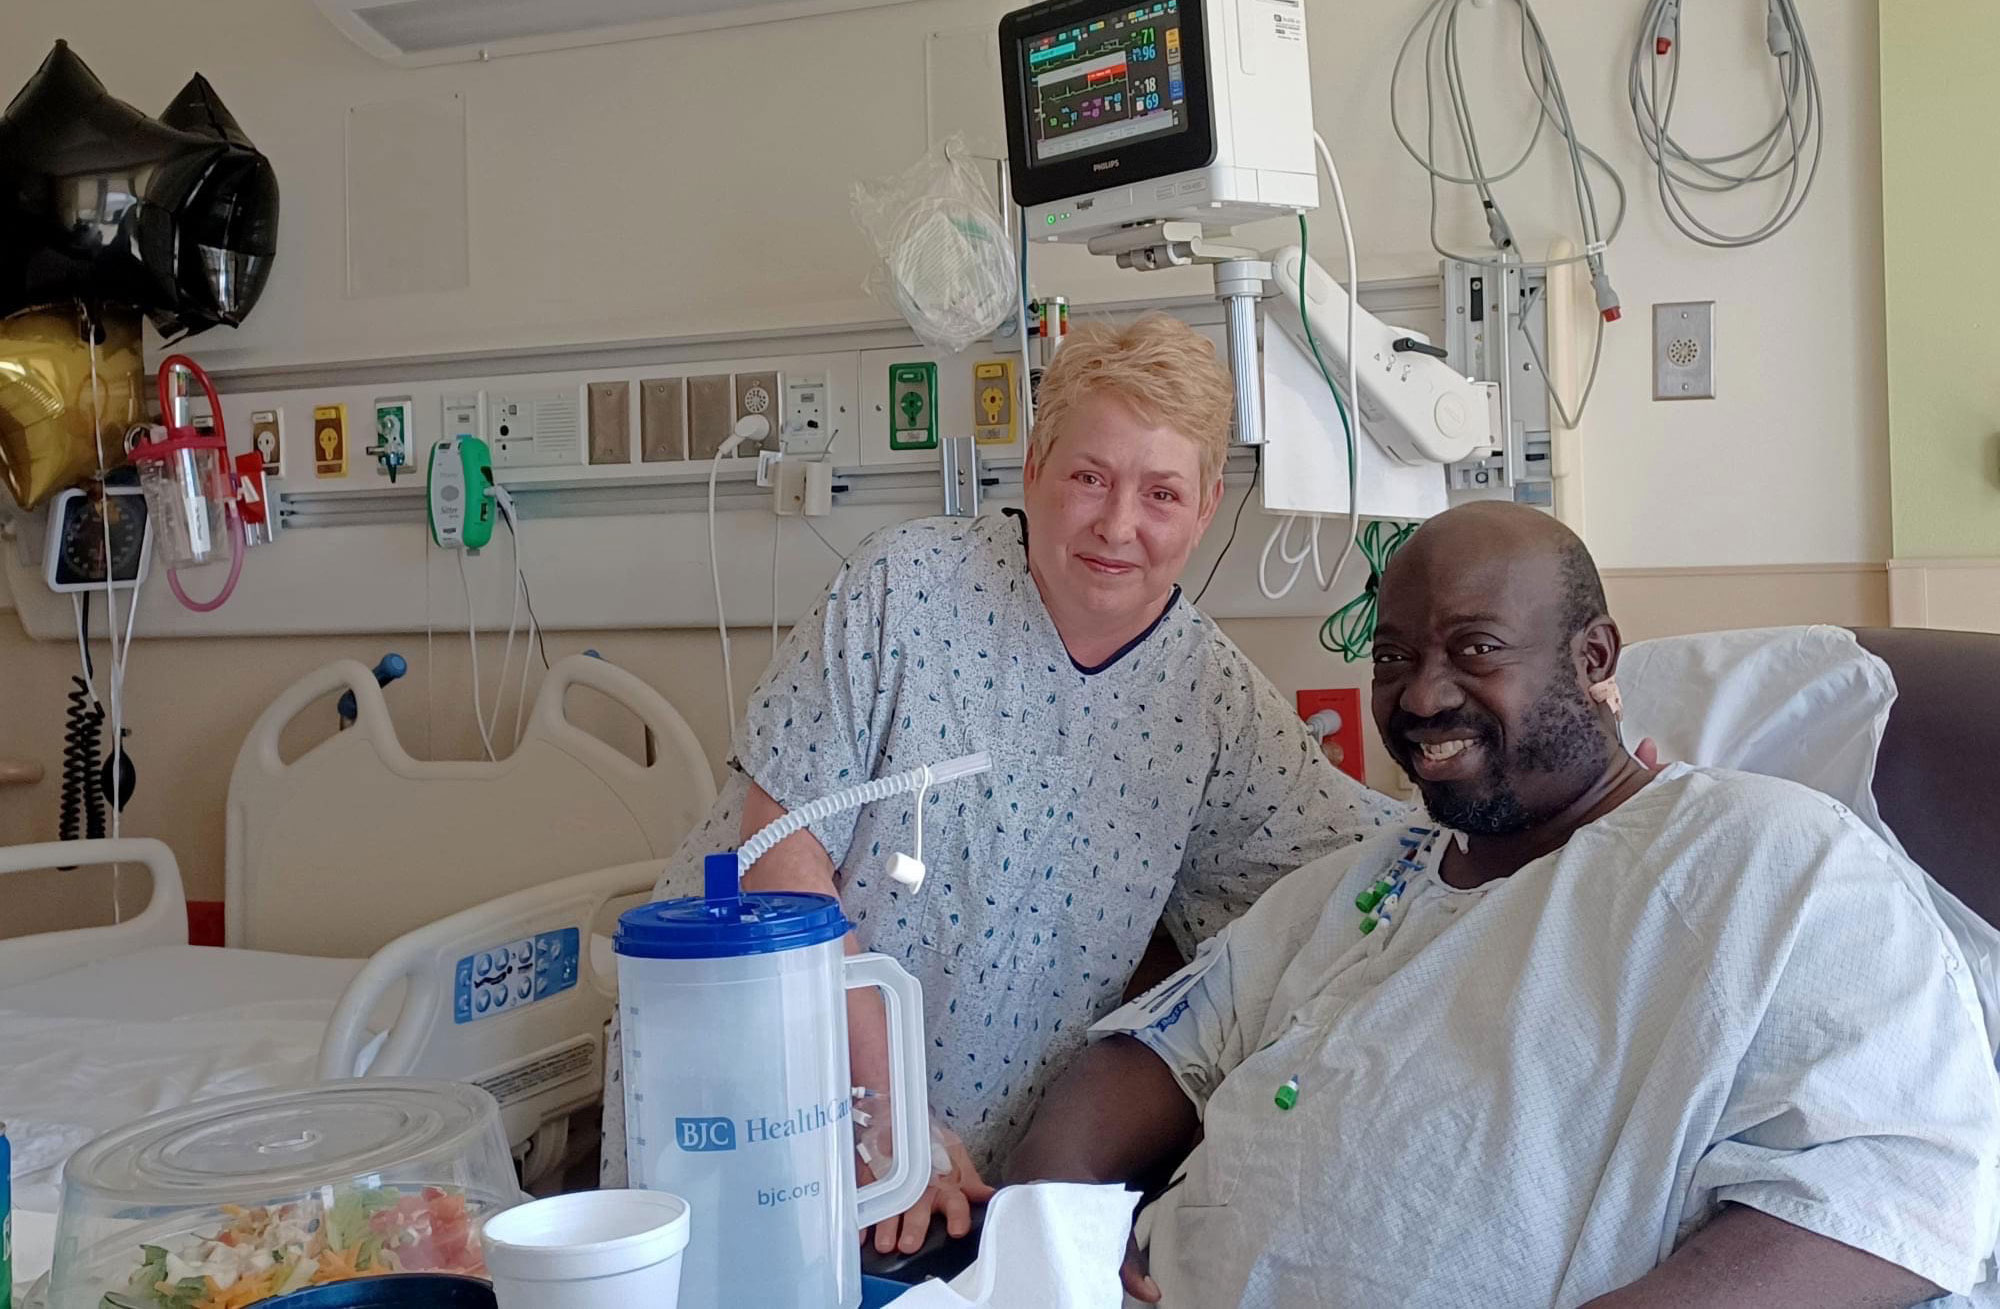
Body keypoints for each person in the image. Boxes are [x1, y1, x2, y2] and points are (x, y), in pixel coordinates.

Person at [1005, 501, 2000, 1308]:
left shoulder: (1760, 856)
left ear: (1594, 659)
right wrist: (1047, 1249)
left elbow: (1899, 1186)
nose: (1419, 696)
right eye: (1390, 657)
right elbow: (1148, 1050)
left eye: (1472, 648)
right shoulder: (1367, 876)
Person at [605, 314, 1396, 1251]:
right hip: (756, 1086)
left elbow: (1370, 867)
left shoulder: (1213, 705)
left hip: (969, 1178)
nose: (1118, 524)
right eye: (1089, 477)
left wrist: (1587, 807)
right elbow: (781, 850)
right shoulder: (905, 591)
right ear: (1033, 467)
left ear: (1207, 507)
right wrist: (878, 1110)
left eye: (1161, 493)